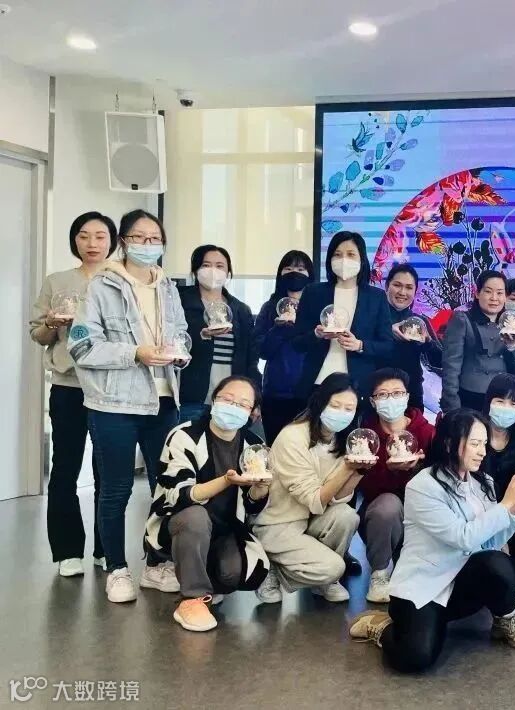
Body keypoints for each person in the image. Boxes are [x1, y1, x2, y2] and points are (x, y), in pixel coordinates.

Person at [348, 409, 515, 673]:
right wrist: (505, 505)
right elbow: (463, 537)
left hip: (460, 582)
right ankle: (382, 627)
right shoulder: (422, 486)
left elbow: (489, 542)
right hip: (425, 586)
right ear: (449, 443)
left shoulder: (483, 482)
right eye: (474, 443)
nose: (482, 452)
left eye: (484, 444)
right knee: (415, 658)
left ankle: (504, 619)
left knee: (501, 564)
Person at [68, 209, 186, 603]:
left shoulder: (167, 286)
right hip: (114, 403)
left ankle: (156, 563)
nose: (148, 245)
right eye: (139, 237)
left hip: (164, 400)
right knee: (116, 489)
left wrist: (180, 351)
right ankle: (117, 568)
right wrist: (135, 352)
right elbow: (82, 346)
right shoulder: (103, 285)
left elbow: (181, 332)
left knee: (164, 489)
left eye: (155, 239)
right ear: (124, 241)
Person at [144, 376, 271, 632]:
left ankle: (199, 572)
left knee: (234, 573)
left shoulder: (253, 446)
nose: (233, 407)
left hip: (224, 529)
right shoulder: (184, 435)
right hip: (180, 522)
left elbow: (251, 507)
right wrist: (226, 480)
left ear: (252, 412)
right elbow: (181, 495)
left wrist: (260, 489)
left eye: (243, 404)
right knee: (195, 518)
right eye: (227, 399)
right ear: (214, 399)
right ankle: (191, 597)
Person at [30, 212, 117, 578]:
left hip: (110, 387)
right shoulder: (57, 281)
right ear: (74, 241)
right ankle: (67, 550)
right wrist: (51, 323)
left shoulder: (120, 279)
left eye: (100, 236)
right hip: (68, 386)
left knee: (107, 471)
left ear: (112, 241)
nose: (92, 243)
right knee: (65, 467)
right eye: (83, 236)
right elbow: (38, 334)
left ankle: (105, 548)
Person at [253, 373, 363, 603]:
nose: (341, 413)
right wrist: (347, 467)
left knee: (347, 516)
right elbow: (313, 499)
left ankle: (324, 582)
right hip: (281, 523)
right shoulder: (293, 437)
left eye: (349, 409)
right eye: (335, 405)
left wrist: (359, 471)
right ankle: (271, 565)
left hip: (313, 520)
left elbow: (338, 498)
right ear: (320, 403)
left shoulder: (341, 439)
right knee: (335, 567)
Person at [356, 368, 435, 603]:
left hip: (420, 515)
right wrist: (389, 471)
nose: (391, 399)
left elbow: (441, 479)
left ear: (407, 396)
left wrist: (418, 469)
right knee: (387, 506)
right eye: (383, 394)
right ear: (373, 401)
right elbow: (365, 488)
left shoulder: (427, 432)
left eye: (397, 393)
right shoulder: (365, 437)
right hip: (382, 519)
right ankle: (379, 573)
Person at [293, 231, 394, 402]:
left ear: (362, 260)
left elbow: (387, 346)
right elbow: (296, 342)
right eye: (338, 254)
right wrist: (317, 334)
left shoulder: (376, 297)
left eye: (351, 254)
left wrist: (360, 345)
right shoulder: (313, 292)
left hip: (357, 385)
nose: (344, 260)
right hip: (317, 382)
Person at [177, 245, 260, 423]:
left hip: (232, 400)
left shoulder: (240, 310)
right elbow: (174, 344)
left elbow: (250, 359)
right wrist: (202, 335)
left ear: (228, 272)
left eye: (220, 266)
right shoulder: (180, 302)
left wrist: (254, 398)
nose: (213, 271)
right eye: (206, 265)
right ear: (196, 270)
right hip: (191, 397)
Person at [440, 270, 515, 412]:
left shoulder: (511, 323)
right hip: (469, 398)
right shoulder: (462, 320)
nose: (494, 298)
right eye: (488, 291)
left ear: (505, 297)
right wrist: (452, 406)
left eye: (500, 293)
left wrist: (512, 346)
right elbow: (451, 366)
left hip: (501, 399)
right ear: (477, 293)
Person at [253, 250, 315, 445]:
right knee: (276, 445)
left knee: (306, 446)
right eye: (288, 268)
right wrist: (278, 328)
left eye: (300, 269)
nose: (294, 273)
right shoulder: (269, 307)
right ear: (280, 274)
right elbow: (261, 350)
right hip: (276, 393)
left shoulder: (317, 308)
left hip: (310, 392)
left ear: (310, 274)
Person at [482, 373, 515, 597]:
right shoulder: (475, 433)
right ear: (489, 402)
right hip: (479, 504)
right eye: (500, 401)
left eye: (513, 404)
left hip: (513, 505)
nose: (506, 408)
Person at [383, 263, 443, 411]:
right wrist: (387, 331)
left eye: (409, 287)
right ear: (387, 286)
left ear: (415, 291)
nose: (402, 292)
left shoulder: (420, 321)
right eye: (397, 285)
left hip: (411, 396)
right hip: (379, 393)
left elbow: (439, 361)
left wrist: (428, 341)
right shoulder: (373, 318)